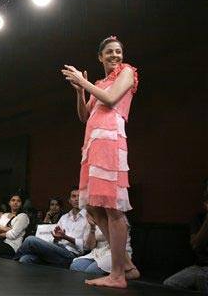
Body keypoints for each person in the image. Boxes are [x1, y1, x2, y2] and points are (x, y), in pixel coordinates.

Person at [61, 36, 140, 288]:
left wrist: (83, 81)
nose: (115, 55)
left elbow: (111, 99)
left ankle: (118, 274)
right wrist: (81, 90)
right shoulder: (99, 83)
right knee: (95, 208)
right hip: (93, 147)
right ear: (100, 57)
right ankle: (126, 264)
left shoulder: (127, 72)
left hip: (110, 142)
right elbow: (84, 115)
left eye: (118, 51)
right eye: (109, 52)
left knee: (112, 207)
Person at [15, 187, 89, 267]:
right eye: (73, 196)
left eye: (79, 196)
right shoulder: (64, 217)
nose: (76, 199)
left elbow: (86, 246)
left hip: (70, 255)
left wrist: (66, 237)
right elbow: (54, 238)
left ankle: (12, 262)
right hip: (56, 249)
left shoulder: (88, 218)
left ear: (84, 199)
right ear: (69, 201)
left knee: (30, 239)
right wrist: (56, 238)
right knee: (25, 259)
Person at [163, 193, 208, 292]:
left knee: (202, 280)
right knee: (169, 284)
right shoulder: (199, 219)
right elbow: (196, 245)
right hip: (199, 267)